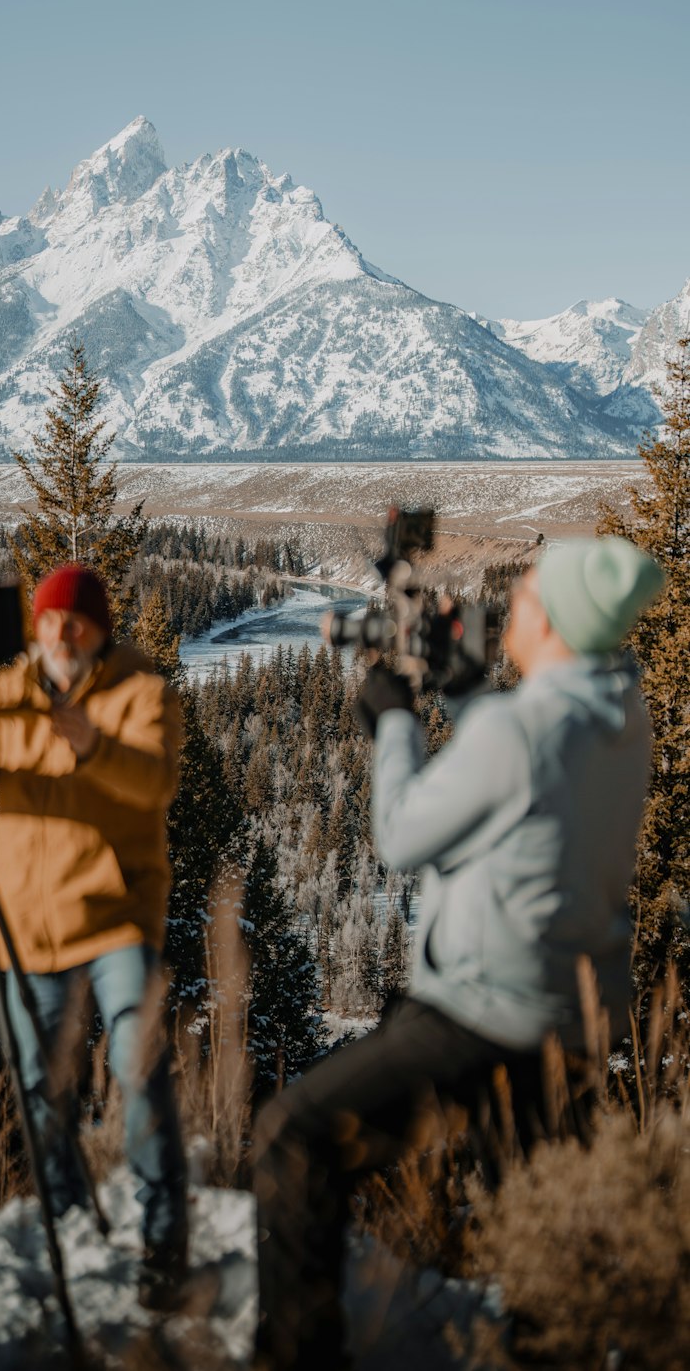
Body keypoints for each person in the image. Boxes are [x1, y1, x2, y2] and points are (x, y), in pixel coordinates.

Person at [253, 535, 664, 1371]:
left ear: (548, 621)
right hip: (571, 1012)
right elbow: (528, 768)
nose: (503, 611)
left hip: (484, 1011)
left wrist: (396, 719)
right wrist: (470, 690)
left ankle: (296, 1355)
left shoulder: (524, 729)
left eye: (520, 601)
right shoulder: (620, 714)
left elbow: (403, 835)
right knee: (535, 1226)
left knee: (293, 1137)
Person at [0, 563, 188, 1307]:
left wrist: (91, 745)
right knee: (41, 1094)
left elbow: (156, 782)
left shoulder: (143, 692)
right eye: (47, 621)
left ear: (100, 628)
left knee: (139, 1075)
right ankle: (73, 1226)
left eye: (73, 621)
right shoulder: (7, 693)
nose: (59, 634)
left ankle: (164, 1244)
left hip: (116, 919)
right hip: (28, 929)